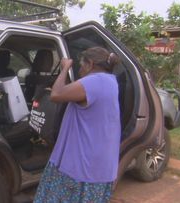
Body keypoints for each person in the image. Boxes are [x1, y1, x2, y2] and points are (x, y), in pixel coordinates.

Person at [34, 47, 121, 203]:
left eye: (81, 65)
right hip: (101, 164)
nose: (79, 70)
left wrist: (64, 69)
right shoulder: (110, 81)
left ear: (91, 64)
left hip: (82, 165)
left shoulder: (94, 81)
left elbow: (56, 94)